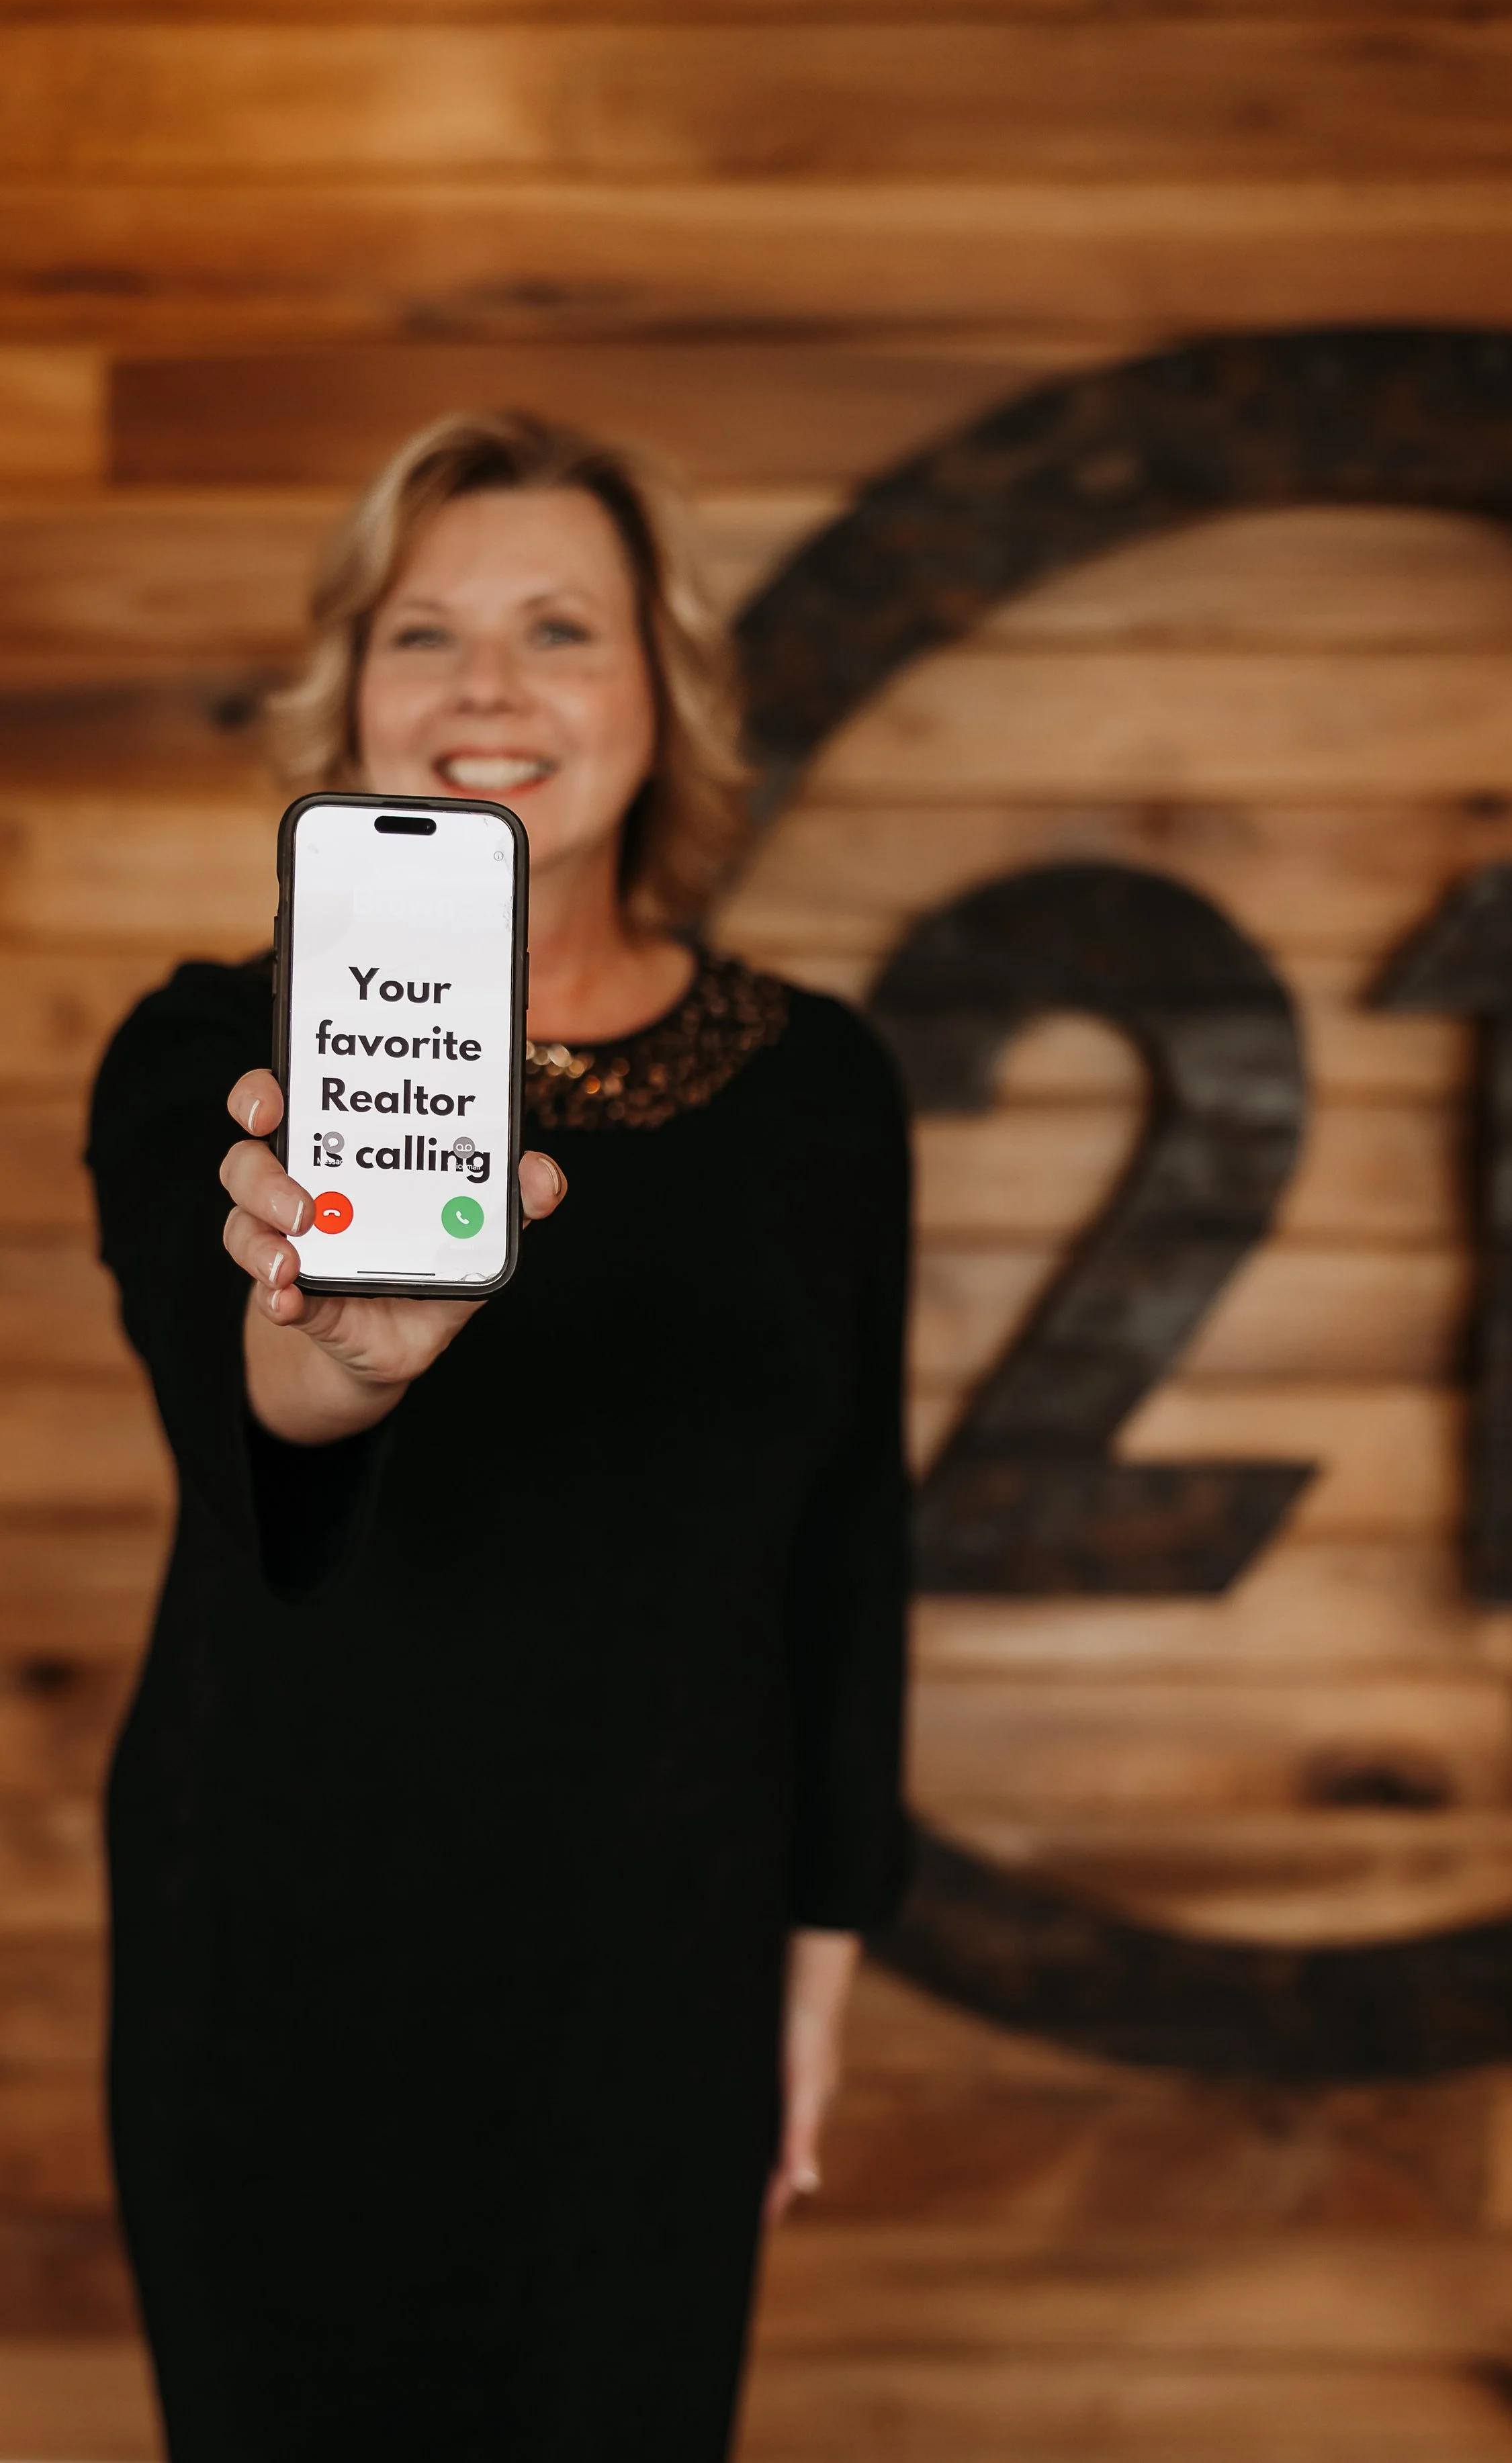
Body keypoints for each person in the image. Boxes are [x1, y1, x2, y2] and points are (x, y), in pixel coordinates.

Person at [86, 412, 910, 2461]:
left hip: (662, 1969)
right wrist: (345, 1360)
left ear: (662, 691)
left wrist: (815, 1962)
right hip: (283, 1954)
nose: (486, 691)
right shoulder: (209, 1055)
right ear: (349, 692)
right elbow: (240, 1392)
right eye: (422, 632)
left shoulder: (820, 1087)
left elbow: (847, 1548)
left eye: (558, 629)